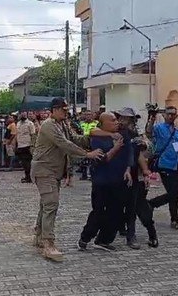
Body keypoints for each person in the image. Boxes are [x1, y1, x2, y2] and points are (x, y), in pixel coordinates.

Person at [31, 97, 104, 262]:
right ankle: (48, 242)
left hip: (54, 171)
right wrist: (87, 154)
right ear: (55, 109)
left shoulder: (62, 124)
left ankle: (39, 234)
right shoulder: (49, 125)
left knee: (46, 204)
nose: (66, 112)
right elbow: (64, 143)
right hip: (44, 170)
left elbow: (74, 138)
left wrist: (93, 135)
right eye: (63, 110)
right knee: (51, 204)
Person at [78, 112, 130, 252]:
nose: (116, 122)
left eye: (116, 120)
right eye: (112, 120)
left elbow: (129, 152)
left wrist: (128, 169)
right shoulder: (97, 138)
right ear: (104, 123)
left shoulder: (121, 134)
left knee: (116, 212)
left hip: (117, 180)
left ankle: (104, 240)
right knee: (99, 211)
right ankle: (85, 237)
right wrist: (115, 148)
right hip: (102, 181)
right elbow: (102, 159)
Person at [145, 106, 178, 231]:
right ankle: (153, 204)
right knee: (173, 193)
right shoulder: (159, 128)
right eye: (168, 114)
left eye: (173, 114)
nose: (171, 116)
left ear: (176, 116)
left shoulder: (177, 133)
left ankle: (173, 218)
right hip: (164, 165)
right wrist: (151, 118)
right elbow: (149, 132)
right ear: (164, 115)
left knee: (175, 194)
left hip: (174, 166)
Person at [16, 112, 36, 183]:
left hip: (27, 145)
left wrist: (32, 145)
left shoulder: (30, 124)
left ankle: (29, 177)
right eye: (22, 114)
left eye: (24, 114)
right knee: (23, 163)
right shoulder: (18, 123)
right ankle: (27, 176)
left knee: (28, 162)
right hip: (20, 145)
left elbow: (33, 135)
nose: (23, 115)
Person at [79, 110, 99, 180]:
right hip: (84, 142)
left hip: (93, 141)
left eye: (90, 114)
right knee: (84, 159)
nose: (88, 116)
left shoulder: (97, 123)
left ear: (93, 115)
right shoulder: (81, 124)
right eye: (87, 115)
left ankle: (92, 175)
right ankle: (84, 175)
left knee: (93, 159)